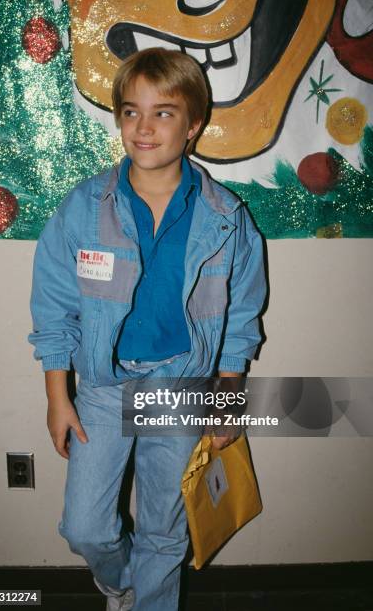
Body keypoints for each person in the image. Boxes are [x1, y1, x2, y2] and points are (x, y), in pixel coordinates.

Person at [28, 47, 266, 611]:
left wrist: (228, 400)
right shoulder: (84, 207)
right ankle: (124, 587)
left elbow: (241, 318)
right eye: (131, 111)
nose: (144, 126)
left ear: (194, 126)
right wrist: (57, 397)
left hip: (180, 390)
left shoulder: (226, 217)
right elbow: (54, 308)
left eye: (164, 112)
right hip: (104, 390)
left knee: (164, 530)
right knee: (84, 528)